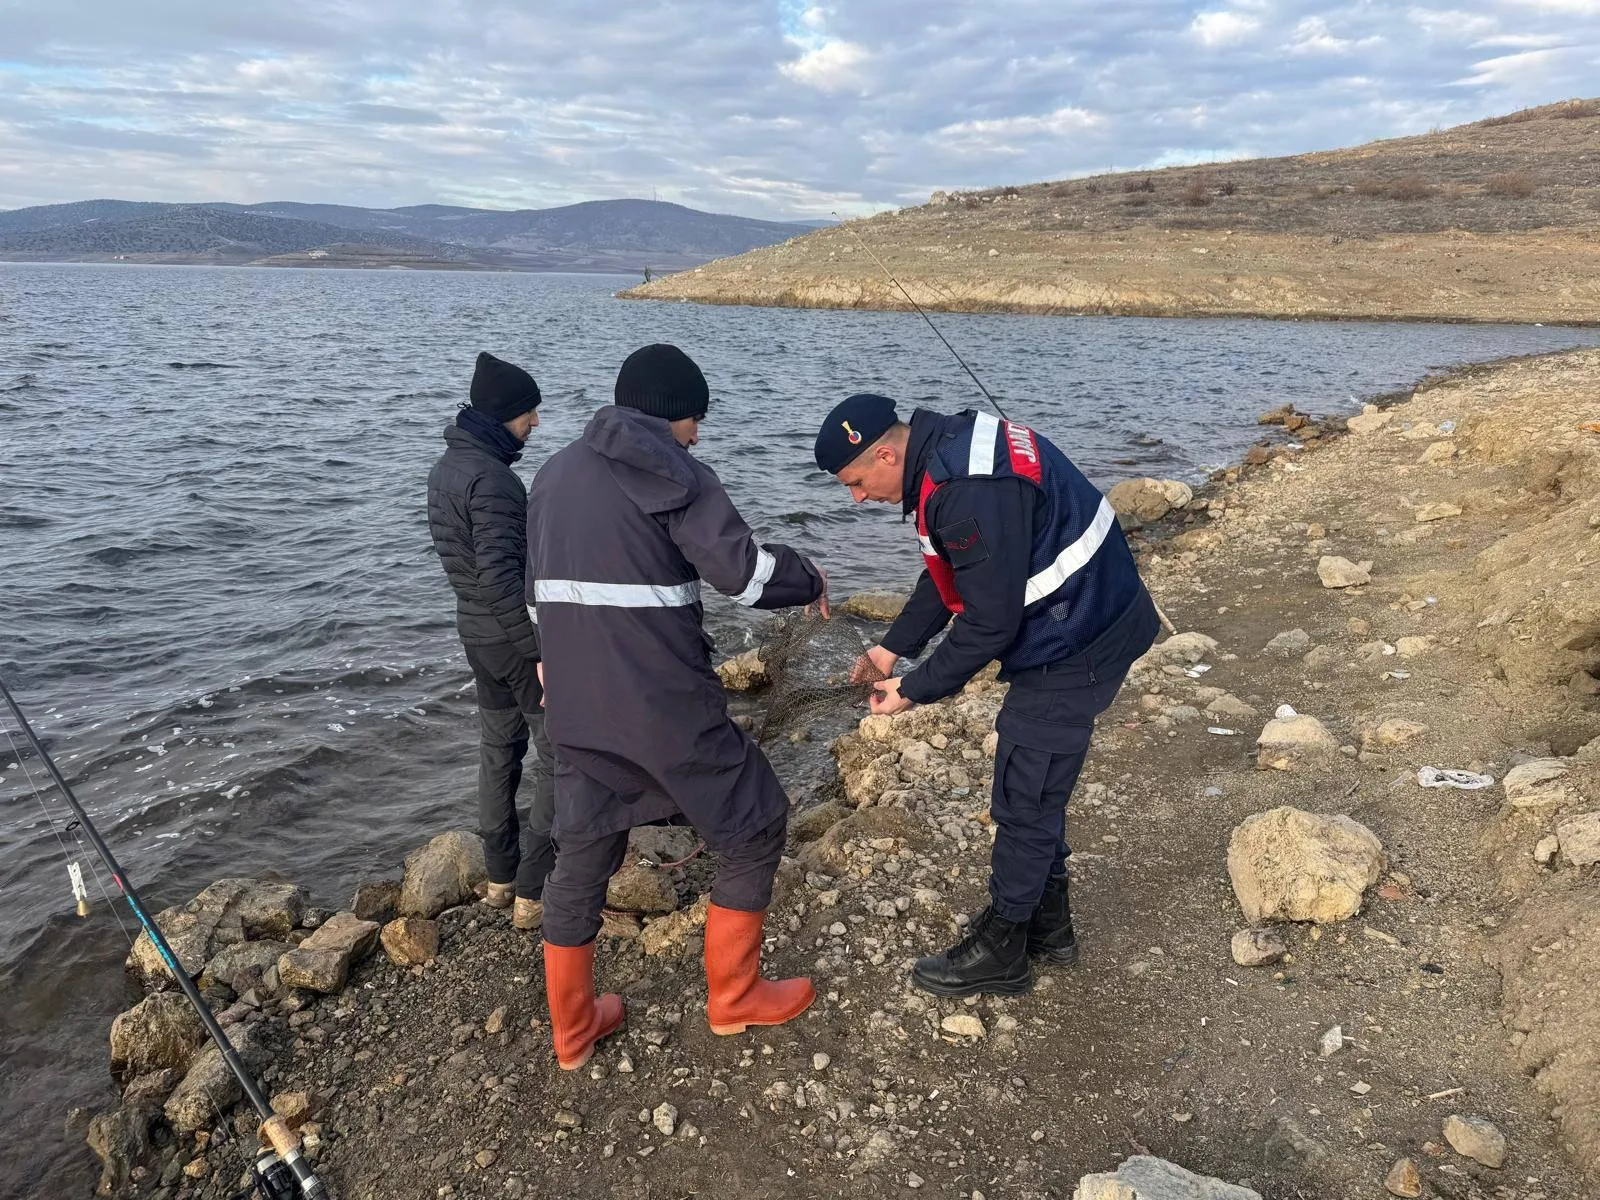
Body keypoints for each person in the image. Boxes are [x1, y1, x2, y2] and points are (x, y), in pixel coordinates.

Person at [527, 343, 828, 1071]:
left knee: (584, 852)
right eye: (697, 421)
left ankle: (573, 1032)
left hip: (573, 700)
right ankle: (735, 997)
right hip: (661, 703)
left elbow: (536, 593)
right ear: (676, 415)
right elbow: (745, 577)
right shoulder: (674, 470)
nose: (699, 435)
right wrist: (809, 574)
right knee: (756, 824)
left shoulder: (552, 472)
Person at [813, 393, 1159, 998]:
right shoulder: (947, 445)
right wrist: (891, 650)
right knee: (1036, 789)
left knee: (1025, 794)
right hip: (1089, 613)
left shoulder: (966, 490)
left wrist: (914, 690)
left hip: (1080, 635)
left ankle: (1004, 948)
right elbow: (952, 569)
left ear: (888, 454)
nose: (857, 498)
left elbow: (989, 623)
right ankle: (1049, 928)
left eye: (858, 482)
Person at [426, 351, 556, 933]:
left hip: (474, 634)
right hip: (510, 639)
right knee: (556, 754)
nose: (534, 423)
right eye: (528, 413)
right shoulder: (496, 481)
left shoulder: (446, 469)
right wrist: (542, 652)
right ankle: (534, 890)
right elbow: (503, 582)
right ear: (504, 414)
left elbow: (470, 575)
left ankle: (500, 877)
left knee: (497, 752)